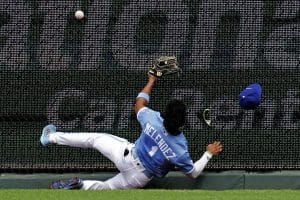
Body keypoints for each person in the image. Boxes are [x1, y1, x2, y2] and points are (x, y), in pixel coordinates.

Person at [40, 74, 223, 190]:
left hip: (125, 155)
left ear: (165, 114)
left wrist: (151, 81)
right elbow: (192, 173)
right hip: (139, 177)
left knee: (93, 139)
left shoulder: (154, 119)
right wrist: (208, 153)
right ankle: (81, 186)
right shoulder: (180, 148)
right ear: (183, 123)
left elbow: (139, 104)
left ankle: (51, 137)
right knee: (106, 189)